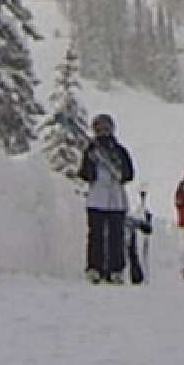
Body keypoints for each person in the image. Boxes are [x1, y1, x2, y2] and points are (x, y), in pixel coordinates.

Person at [77, 113, 135, 284]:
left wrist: (119, 172)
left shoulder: (120, 151)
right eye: (100, 128)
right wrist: (91, 164)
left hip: (116, 200)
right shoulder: (91, 151)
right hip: (96, 199)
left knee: (116, 237)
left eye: (106, 128)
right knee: (96, 236)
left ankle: (116, 269)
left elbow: (129, 173)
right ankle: (95, 268)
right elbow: (85, 174)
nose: (103, 132)